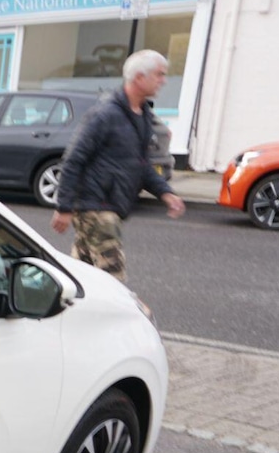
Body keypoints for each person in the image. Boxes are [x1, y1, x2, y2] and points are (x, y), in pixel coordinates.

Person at [52, 49, 186, 283]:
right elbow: (74, 159)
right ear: (139, 78)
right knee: (112, 277)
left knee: (80, 274)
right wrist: (63, 206)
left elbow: (141, 163)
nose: (164, 81)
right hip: (96, 205)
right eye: (159, 74)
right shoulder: (105, 115)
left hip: (109, 204)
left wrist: (165, 192)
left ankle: (64, 310)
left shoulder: (142, 114)